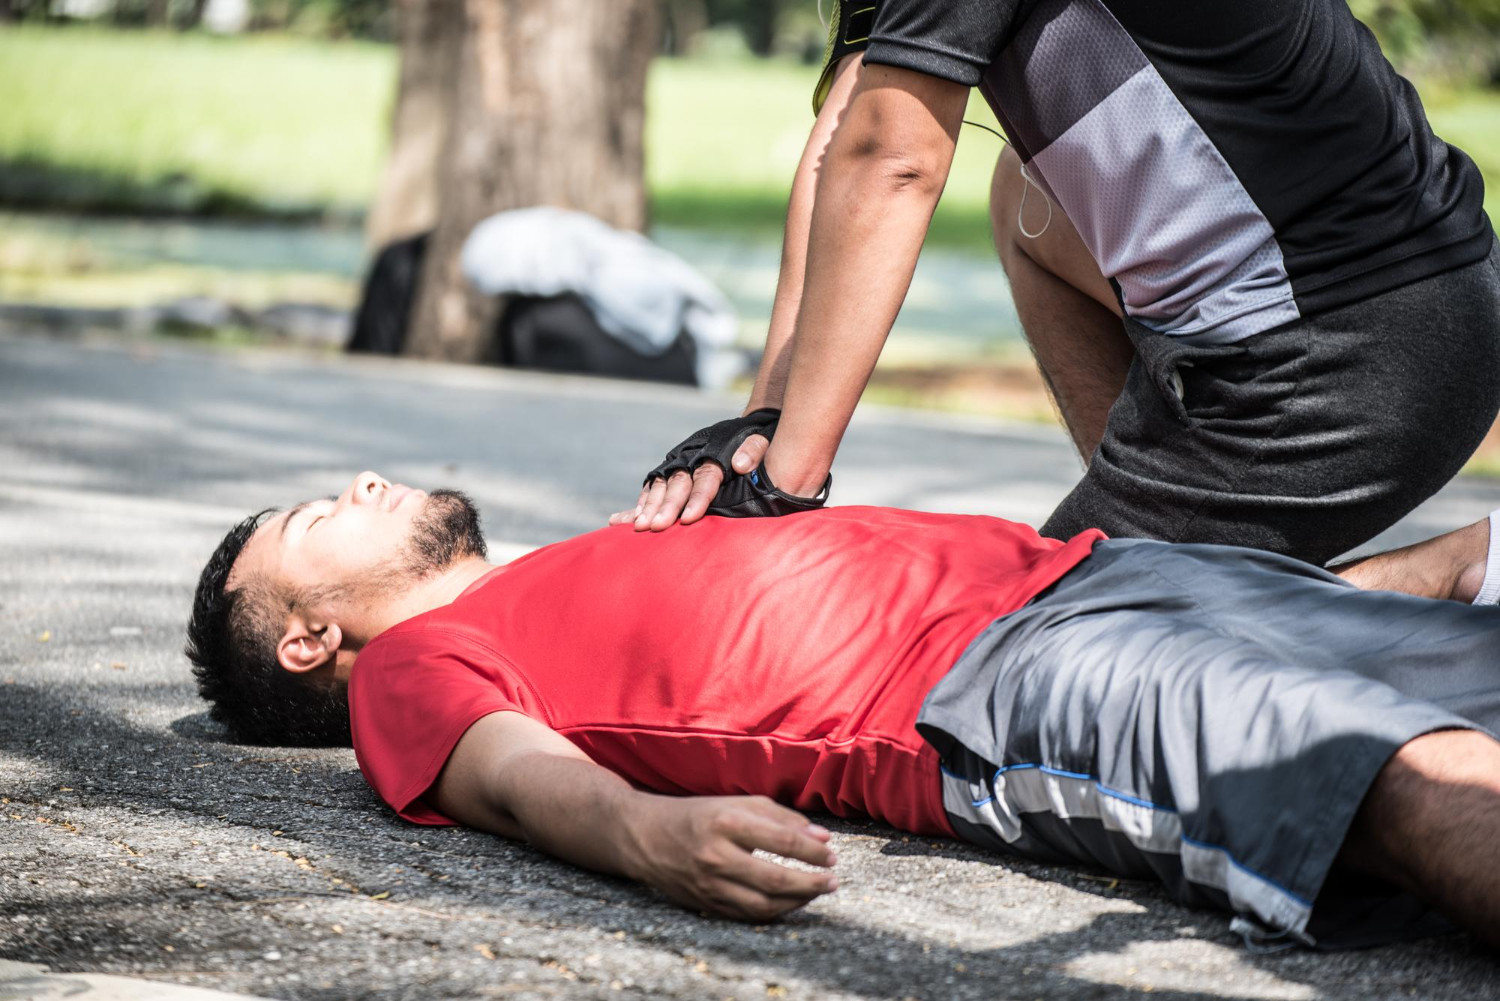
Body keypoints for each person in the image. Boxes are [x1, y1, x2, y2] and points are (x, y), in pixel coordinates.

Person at [188, 472, 1500, 950]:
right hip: (993, 691)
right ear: (311, 638)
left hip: (1095, 573)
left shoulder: (576, 558)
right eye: (320, 518)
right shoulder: (414, 669)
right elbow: (508, 772)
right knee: (1394, 775)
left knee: (1469, 586)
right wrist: (645, 836)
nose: (358, 481)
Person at [617, 0, 1500, 596]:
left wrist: (784, 490)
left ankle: (1440, 575)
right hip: (1416, 301)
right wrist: (765, 420)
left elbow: (894, 159)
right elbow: (851, 135)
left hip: (1346, 356)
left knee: (1014, 660)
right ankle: (1146, 540)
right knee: (1023, 200)